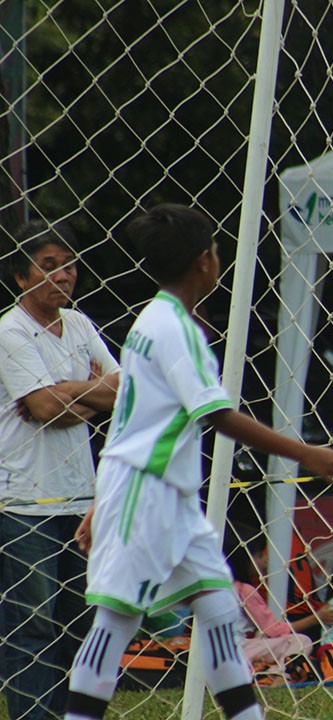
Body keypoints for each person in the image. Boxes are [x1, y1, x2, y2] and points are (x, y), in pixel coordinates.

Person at [63, 204, 333, 720]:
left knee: (220, 609)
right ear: (203, 262)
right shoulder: (174, 329)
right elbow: (217, 415)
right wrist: (305, 452)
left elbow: (131, 418)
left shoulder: (157, 320)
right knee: (115, 622)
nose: (219, 258)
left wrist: (101, 503)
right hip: (143, 493)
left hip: (163, 496)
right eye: (217, 250)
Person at [0, 220, 120, 720]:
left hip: (80, 497)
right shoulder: (10, 330)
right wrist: (87, 392)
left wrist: (69, 393)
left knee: (80, 621)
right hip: (24, 501)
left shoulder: (80, 324)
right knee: (31, 625)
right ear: (21, 277)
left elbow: (125, 390)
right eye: (48, 266)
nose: (63, 276)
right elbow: (44, 410)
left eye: (69, 265)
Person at [225, 529, 333, 683]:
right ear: (244, 560)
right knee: (301, 641)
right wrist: (317, 618)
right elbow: (273, 630)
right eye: (260, 555)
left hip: (214, 650)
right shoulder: (245, 591)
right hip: (238, 651)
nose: (266, 560)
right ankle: (278, 674)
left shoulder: (215, 588)